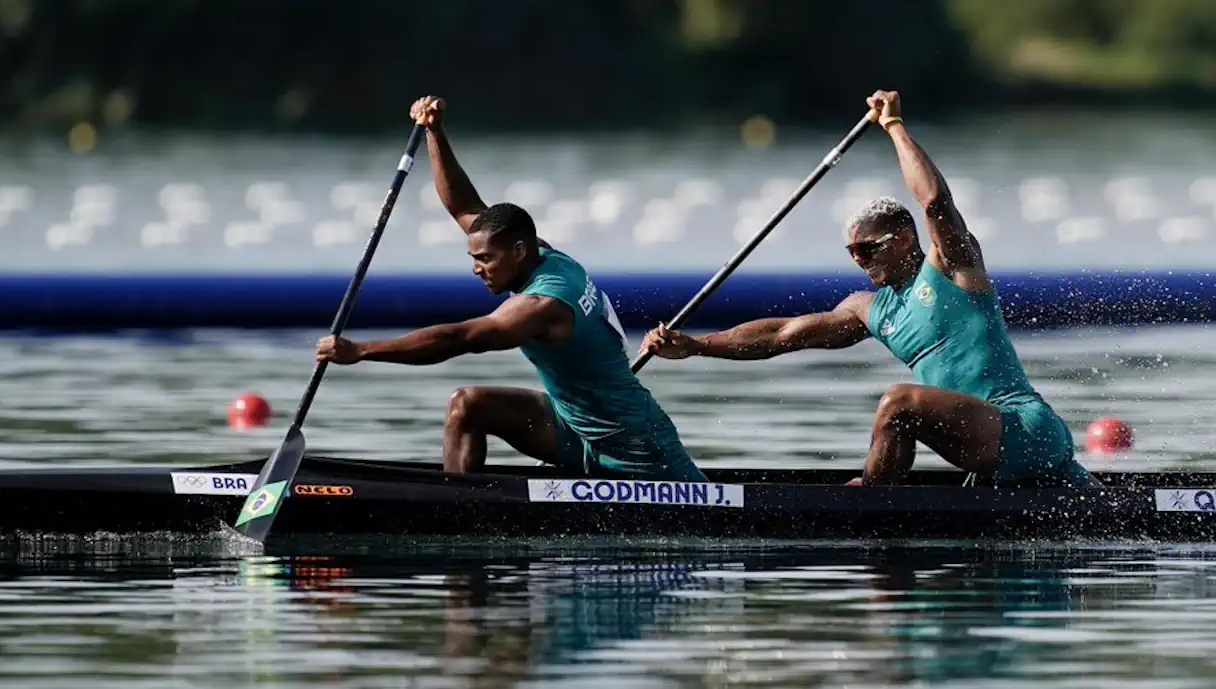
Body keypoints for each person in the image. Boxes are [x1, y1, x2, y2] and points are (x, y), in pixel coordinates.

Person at [639, 89, 1095, 489]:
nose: (859, 261)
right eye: (851, 253)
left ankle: (872, 505)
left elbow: (935, 201)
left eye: (866, 249)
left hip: (1025, 430)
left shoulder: (954, 268)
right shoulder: (869, 309)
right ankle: (880, 501)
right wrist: (697, 346)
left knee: (898, 402)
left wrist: (893, 124)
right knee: (901, 407)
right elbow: (780, 336)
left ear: (902, 240)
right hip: (986, 449)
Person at [315, 95, 707, 483]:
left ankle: (456, 511)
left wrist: (361, 350)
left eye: (484, 259)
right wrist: (435, 132)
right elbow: (464, 206)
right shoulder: (540, 254)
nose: (476, 269)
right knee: (467, 406)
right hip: (574, 430)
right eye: (474, 258)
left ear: (518, 251)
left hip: (638, 449)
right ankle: (459, 512)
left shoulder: (543, 305)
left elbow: (459, 339)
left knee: (468, 397)